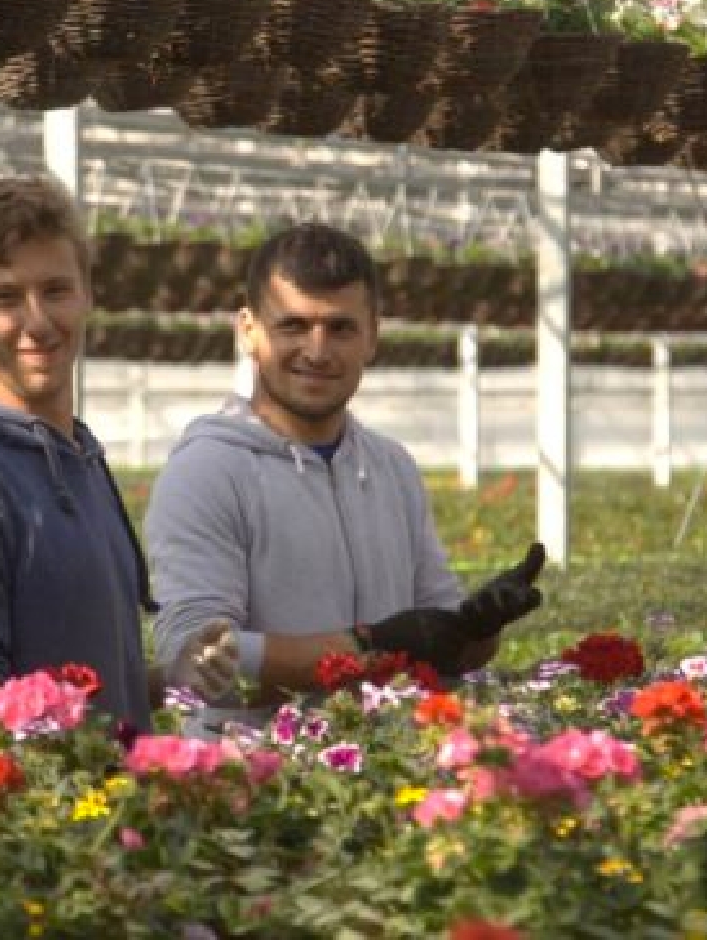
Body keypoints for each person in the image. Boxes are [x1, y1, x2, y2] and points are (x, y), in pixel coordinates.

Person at [0, 176, 237, 766]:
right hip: (11, 846)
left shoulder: (80, 461)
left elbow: (84, 686)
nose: (38, 321)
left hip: (98, 837)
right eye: (6, 298)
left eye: (56, 290)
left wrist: (164, 679)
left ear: (87, 295)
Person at [144, 222, 545, 727]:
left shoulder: (391, 468)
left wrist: (475, 628)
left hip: (387, 772)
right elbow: (196, 654)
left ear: (372, 335)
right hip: (256, 782)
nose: (317, 350)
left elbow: (440, 644)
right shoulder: (208, 470)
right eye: (293, 326)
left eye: (340, 328)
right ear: (248, 331)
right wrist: (362, 646)